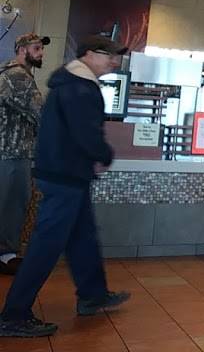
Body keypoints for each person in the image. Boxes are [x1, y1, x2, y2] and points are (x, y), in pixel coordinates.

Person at [0, 36, 131, 338]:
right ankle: (14, 314)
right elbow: (86, 132)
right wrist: (104, 153)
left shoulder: (70, 82)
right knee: (45, 246)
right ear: (89, 54)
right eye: (109, 55)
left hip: (65, 173)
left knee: (83, 237)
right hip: (65, 176)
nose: (114, 62)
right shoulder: (80, 87)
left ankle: (93, 294)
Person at [0, 34, 48, 276]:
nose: (41, 53)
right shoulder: (19, 77)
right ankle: (6, 256)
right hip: (13, 152)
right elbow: (41, 114)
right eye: (36, 48)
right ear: (21, 49)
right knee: (13, 204)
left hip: (8, 151)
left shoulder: (7, 72)